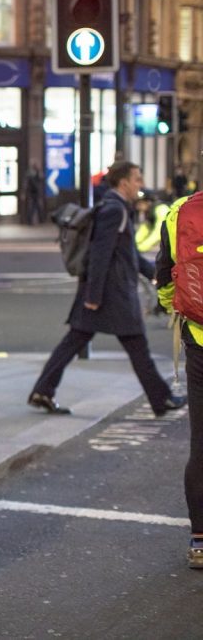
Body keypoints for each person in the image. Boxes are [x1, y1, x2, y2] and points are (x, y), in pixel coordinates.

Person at [27, 161, 187, 416]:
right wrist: (93, 296)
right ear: (124, 183)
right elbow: (100, 254)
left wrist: (158, 276)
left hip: (106, 291)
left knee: (75, 341)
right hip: (112, 293)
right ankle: (162, 399)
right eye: (137, 179)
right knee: (136, 345)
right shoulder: (115, 210)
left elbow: (129, 254)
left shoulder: (117, 208)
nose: (140, 184)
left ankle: (43, 390)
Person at [155, 189, 203, 569]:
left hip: (199, 339)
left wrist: (176, 308)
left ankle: (199, 540)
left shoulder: (179, 211)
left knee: (200, 444)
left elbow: (164, 275)